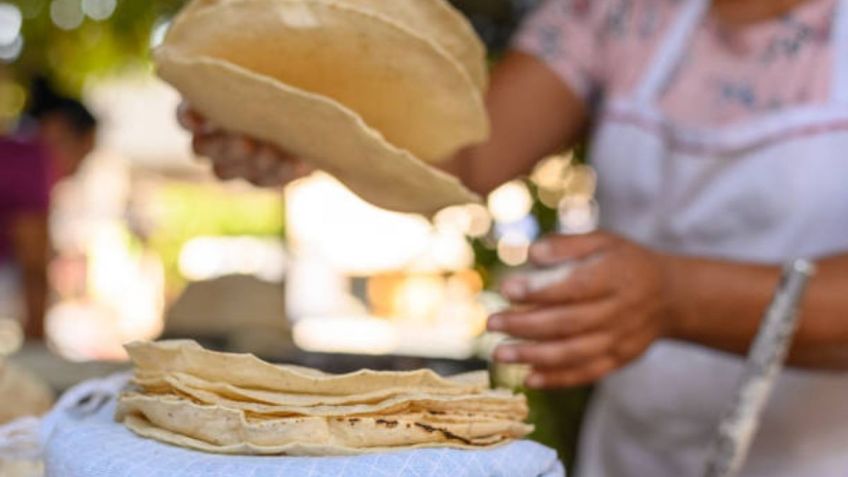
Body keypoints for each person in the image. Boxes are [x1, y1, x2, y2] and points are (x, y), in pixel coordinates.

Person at [177, 0, 848, 474]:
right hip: (633, 453)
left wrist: (678, 298)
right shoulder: (617, 12)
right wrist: (302, 124)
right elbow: (465, 156)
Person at [0, 78, 97, 340]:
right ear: (58, 129)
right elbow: (33, 267)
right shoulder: (33, 160)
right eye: (85, 153)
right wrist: (37, 344)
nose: (77, 169)